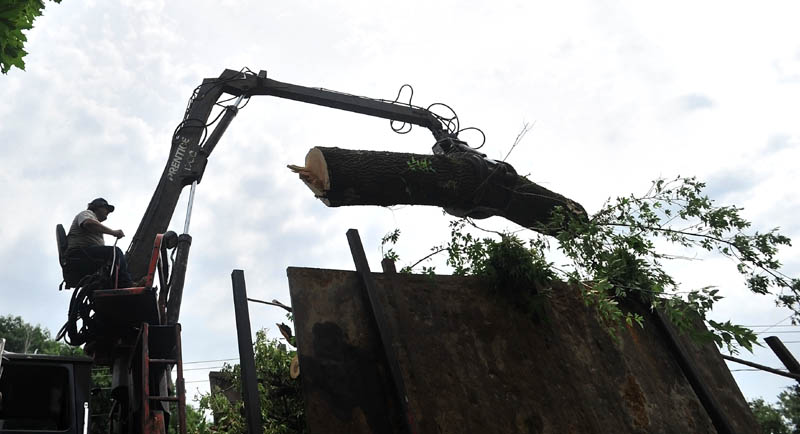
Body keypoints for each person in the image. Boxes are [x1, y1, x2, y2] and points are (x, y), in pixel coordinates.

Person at [65, 198, 134, 288]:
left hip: (83, 255)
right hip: (79, 253)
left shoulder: (95, 222)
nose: (108, 212)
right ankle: (127, 284)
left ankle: (116, 285)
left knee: (113, 262)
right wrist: (113, 232)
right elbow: (88, 223)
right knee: (115, 252)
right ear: (97, 207)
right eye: (106, 208)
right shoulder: (87, 214)